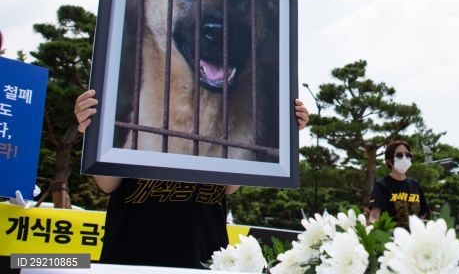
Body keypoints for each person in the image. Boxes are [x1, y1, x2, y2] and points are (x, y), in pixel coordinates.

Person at [74, 89, 309, 269]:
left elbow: (229, 187)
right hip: (132, 252)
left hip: (204, 253)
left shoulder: (229, 111)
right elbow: (107, 184)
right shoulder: (140, 104)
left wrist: (283, 131)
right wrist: (92, 132)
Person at [368, 140, 429, 229]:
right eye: (399, 155)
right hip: (391, 239)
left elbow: (423, 214)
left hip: (413, 239)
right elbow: (374, 217)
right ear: (389, 161)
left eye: (408, 155)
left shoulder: (415, 184)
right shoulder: (381, 184)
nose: (404, 158)